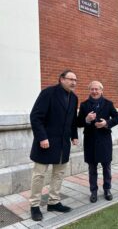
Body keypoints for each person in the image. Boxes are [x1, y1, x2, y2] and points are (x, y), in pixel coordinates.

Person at [29, 69, 79, 221]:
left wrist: (74, 136)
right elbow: (35, 116)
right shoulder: (48, 93)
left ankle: (54, 201)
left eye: (76, 80)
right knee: (39, 175)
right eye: (71, 79)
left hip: (63, 144)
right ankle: (34, 205)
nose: (74, 83)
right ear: (61, 79)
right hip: (46, 143)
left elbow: (73, 120)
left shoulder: (74, 98)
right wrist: (42, 137)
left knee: (59, 174)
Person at [77, 81, 118, 203]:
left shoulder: (108, 104)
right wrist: (86, 119)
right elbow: (78, 122)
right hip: (90, 141)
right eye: (92, 89)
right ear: (89, 90)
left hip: (104, 140)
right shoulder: (84, 105)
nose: (94, 91)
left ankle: (107, 189)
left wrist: (106, 123)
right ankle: (93, 191)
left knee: (106, 167)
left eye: (97, 89)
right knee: (92, 168)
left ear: (102, 90)